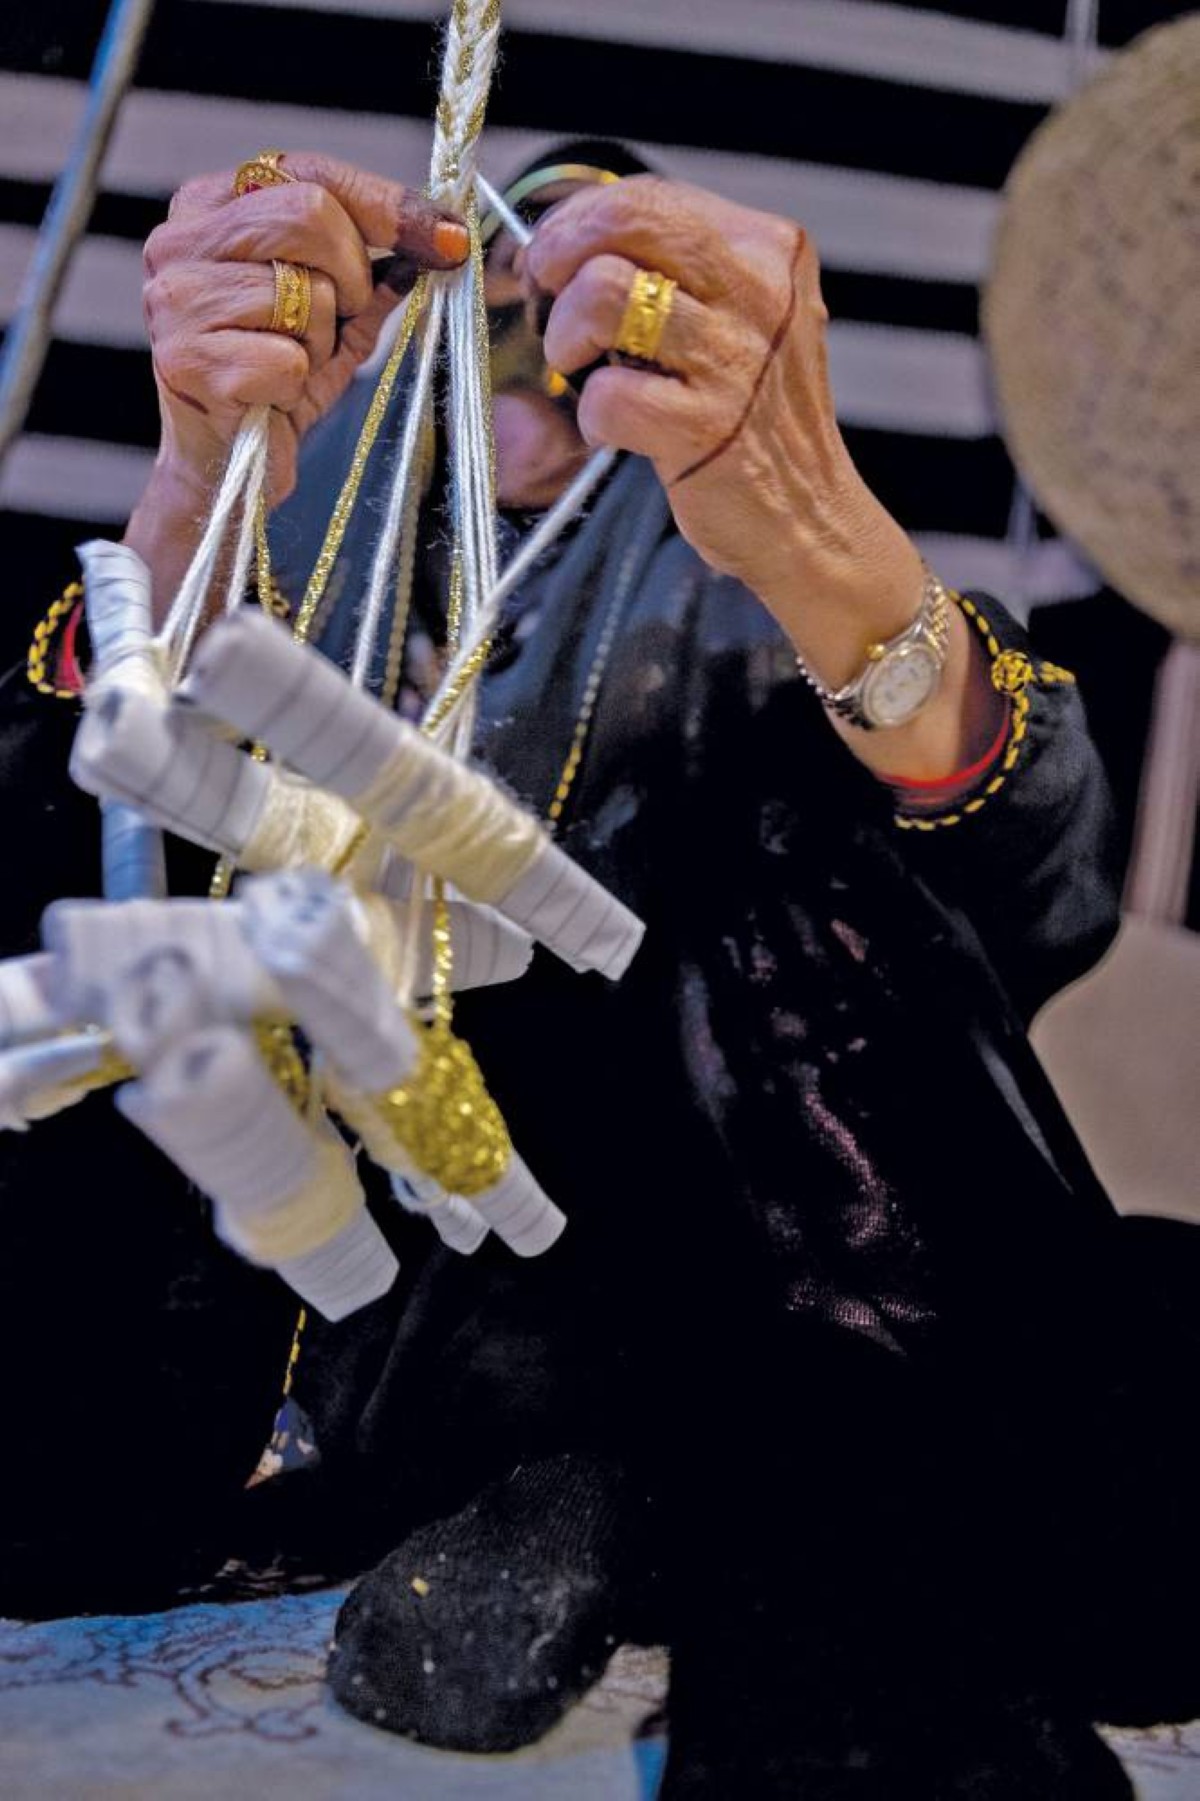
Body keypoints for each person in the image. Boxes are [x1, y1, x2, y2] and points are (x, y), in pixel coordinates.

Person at [1, 138, 1196, 1799]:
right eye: (488, 295)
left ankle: (676, 1501)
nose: (529, 331)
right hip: (243, 1342)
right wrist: (193, 500)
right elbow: (50, 860)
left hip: (676, 1288)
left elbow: (1037, 875)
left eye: (591, 298)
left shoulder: (737, 611)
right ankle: (594, 1491)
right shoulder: (307, 553)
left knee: (787, 842)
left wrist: (825, 552)